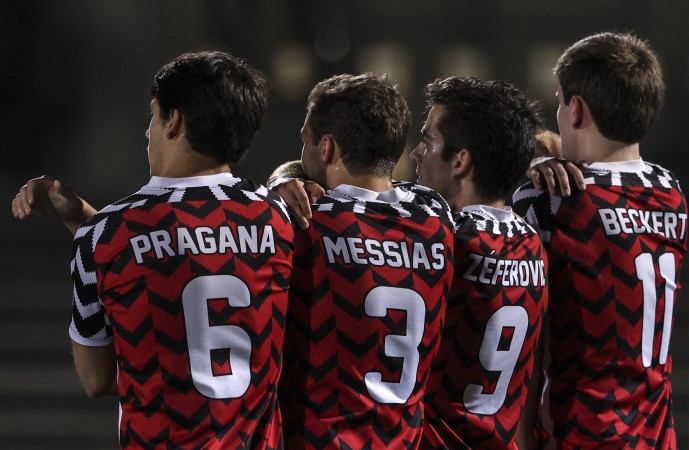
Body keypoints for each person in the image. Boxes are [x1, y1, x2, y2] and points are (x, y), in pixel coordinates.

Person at [12, 51, 295, 449]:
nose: (148, 132)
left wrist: (83, 224)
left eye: (153, 116)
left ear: (174, 120)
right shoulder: (277, 216)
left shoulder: (105, 235)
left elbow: (97, 379)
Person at [512, 32, 688, 449]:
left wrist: (533, 158)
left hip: (581, 432)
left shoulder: (548, 201)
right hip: (655, 435)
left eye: (559, 102)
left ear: (575, 110)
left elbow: (526, 342)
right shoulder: (670, 192)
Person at [268, 73, 456, 449]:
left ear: (326, 147)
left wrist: (280, 181)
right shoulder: (437, 215)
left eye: (305, 141)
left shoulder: (306, 223)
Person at [407, 76, 548, 450]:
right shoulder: (532, 241)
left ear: (460, 160)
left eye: (427, 139)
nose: (416, 153)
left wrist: (290, 176)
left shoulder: (442, 237)